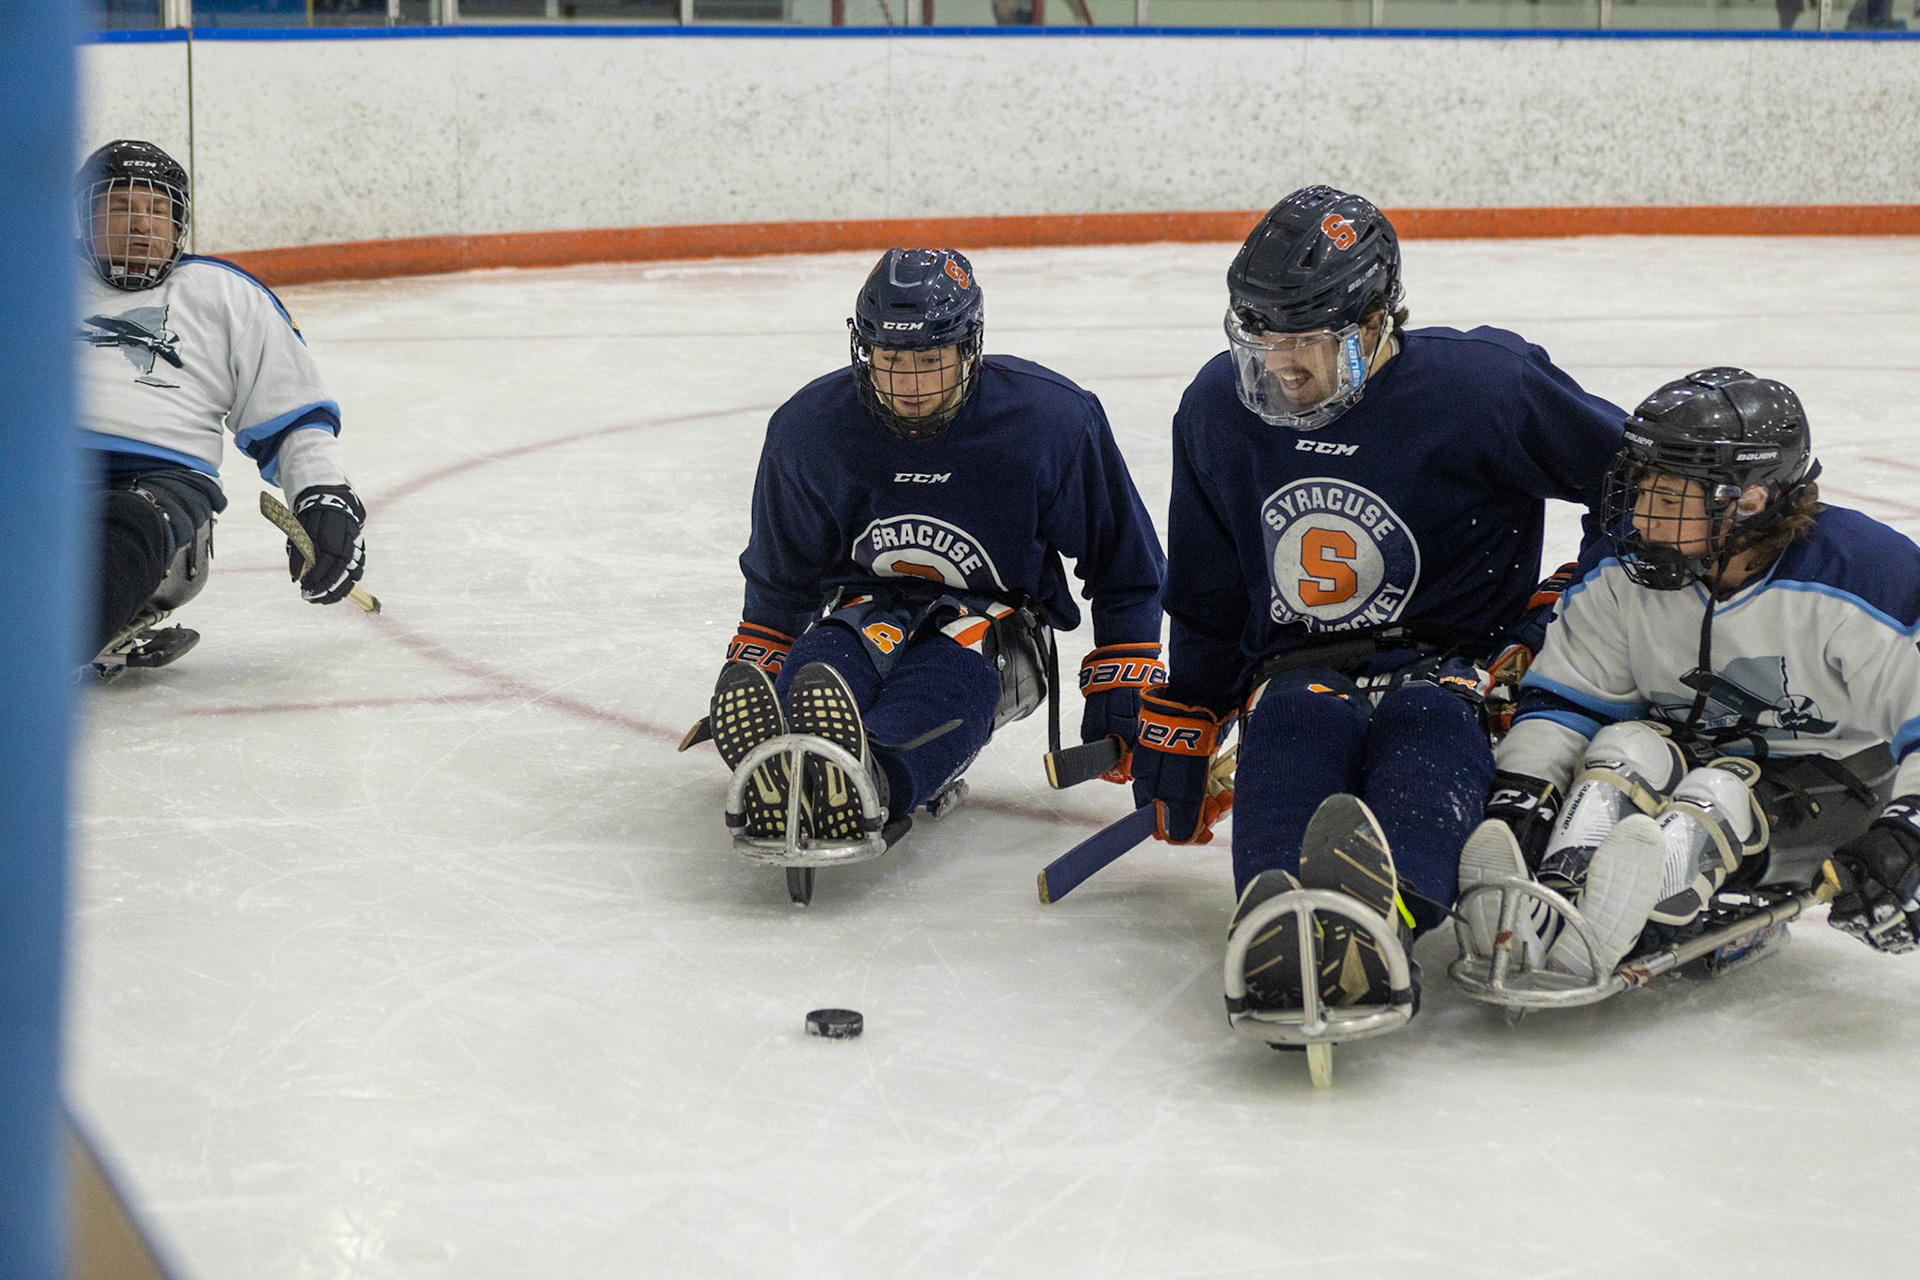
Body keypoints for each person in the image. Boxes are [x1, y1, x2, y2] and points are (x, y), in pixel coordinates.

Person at [1132, 186, 1626, 1027]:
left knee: (1427, 748)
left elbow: (1636, 490)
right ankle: (1278, 922)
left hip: (1450, 668)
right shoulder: (1219, 407)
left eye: (1308, 341)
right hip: (1294, 670)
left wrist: (1564, 606)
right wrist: (1194, 707)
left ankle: (1379, 926)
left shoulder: (1484, 390)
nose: (1283, 364)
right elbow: (1211, 588)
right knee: (1289, 740)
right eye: (1264, 337)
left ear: (1376, 322)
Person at [1459, 368, 1920, 981]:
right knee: (1624, 748)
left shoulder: (1869, 578)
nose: (1642, 517)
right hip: (1677, 760)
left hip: (1832, 789)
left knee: (1717, 798)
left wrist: (1907, 838)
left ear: (1750, 501)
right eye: (1640, 489)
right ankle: (1551, 903)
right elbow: (1571, 703)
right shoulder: (1622, 570)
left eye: (1671, 500)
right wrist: (1523, 798)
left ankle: (1623, 929)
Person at [710, 248, 1165, 857]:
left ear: (968, 348)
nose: (910, 385)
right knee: (831, 652)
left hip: (993, 623)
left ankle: (874, 779)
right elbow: (783, 568)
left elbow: (1123, 560)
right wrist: (762, 651)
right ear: (863, 349)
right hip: (867, 604)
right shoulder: (810, 428)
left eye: (930, 359)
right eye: (892, 359)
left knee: (954, 663)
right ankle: (791, 756)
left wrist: (1123, 672)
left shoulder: (1046, 420)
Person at [76, 139, 367, 675]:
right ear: (83, 215)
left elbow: (293, 418)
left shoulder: (224, 293)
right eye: (122, 207)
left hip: (154, 485)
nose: (143, 225)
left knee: (122, 527)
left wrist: (324, 498)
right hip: (33, 472)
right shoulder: (30, 282)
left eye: (159, 210)